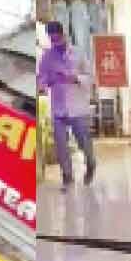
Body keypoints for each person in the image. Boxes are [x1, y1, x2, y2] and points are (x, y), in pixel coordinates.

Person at [38, 20, 96, 191]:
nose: (56, 43)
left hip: (77, 107)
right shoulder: (47, 56)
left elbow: (91, 77)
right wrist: (43, 84)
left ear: (64, 35)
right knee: (61, 144)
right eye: (52, 40)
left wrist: (76, 78)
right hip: (58, 108)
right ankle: (67, 177)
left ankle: (91, 164)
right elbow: (42, 76)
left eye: (58, 39)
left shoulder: (78, 52)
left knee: (84, 143)